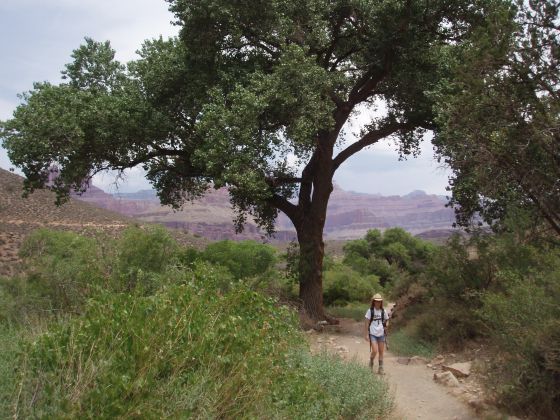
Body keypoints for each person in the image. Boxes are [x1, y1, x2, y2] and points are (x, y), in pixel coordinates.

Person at [364, 293, 389, 375]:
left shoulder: (383, 311)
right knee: (375, 350)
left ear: (381, 302)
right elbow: (367, 323)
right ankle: (371, 363)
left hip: (381, 333)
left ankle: (380, 368)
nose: (378, 303)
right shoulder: (370, 311)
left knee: (381, 352)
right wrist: (366, 334)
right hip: (373, 333)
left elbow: (386, 320)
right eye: (376, 301)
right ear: (373, 302)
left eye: (379, 301)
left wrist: (386, 325)